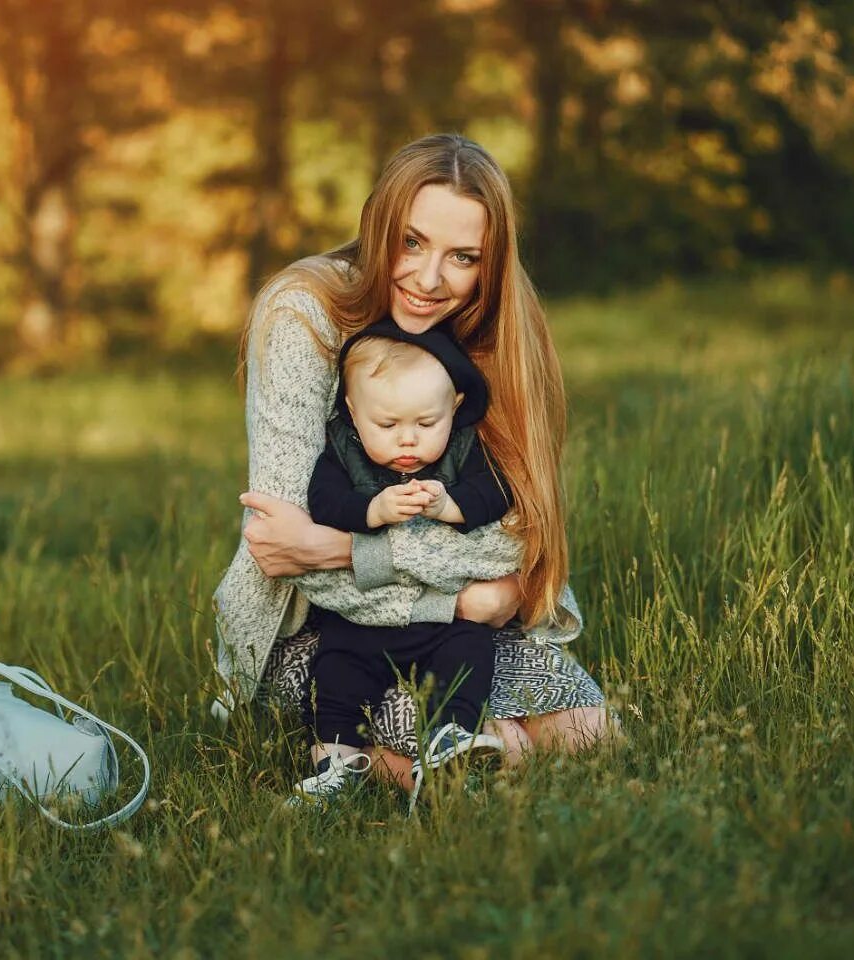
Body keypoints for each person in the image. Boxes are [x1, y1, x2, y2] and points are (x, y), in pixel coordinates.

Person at [212, 133, 616, 794]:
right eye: (412, 242)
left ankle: (432, 754)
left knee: (588, 730)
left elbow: (523, 537)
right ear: (379, 227)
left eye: (464, 257)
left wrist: (339, 544)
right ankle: (354, 756)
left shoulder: (500, 331)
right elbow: (284, 551)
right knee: (485, 748)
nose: (430, 281)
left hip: (455, 626)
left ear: (491, 264)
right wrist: (463, 592)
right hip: (327, 626)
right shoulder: (304, 315)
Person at [290, 318, 512, 807]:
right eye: (387, 426)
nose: (407, 441)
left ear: (454, 407)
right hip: (364, 615)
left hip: (444, 614)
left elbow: (498, 492)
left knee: (470, 650)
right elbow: (323, 504)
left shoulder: (465, 447)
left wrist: (448, 506)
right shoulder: (342, 452)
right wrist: (371, 510)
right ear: (353, 411)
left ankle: (451, 737)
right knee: (336, 667)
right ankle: (335, 756)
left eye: (425, 423)